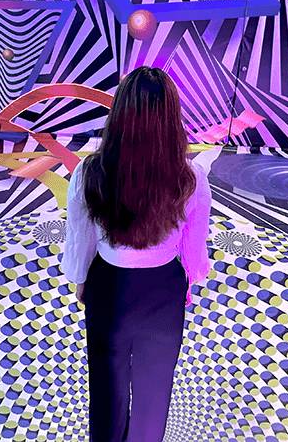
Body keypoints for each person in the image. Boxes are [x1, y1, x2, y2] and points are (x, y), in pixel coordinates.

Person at [61, 66, 212, 442]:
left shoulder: (89, 171)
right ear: (171, 118)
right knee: (154, 391)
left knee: (106, 385)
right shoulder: (191, 176)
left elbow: (80, 235)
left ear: (119, 114)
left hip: (109, 286)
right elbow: (194, 243)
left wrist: (81, 280)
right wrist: (190, 278)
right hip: (163, 287)